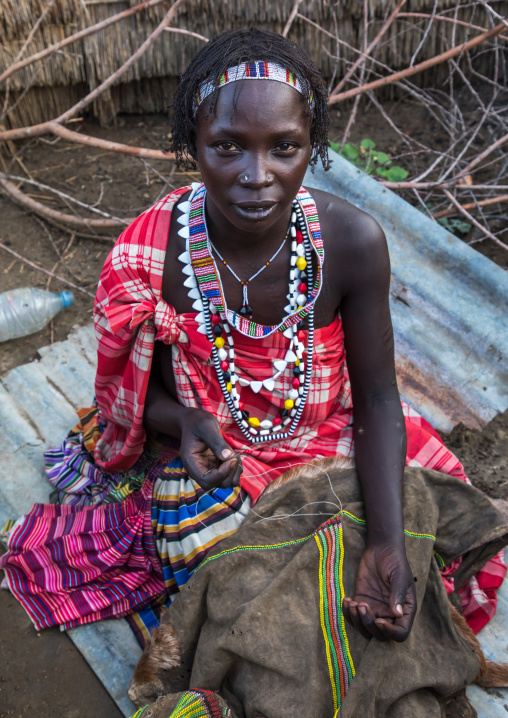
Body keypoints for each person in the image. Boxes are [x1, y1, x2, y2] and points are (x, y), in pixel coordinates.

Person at [0, 28, 505, 654]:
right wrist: (184, 422)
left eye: (285, 148)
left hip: (335, 433)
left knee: (433, 542)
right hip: (217, 461)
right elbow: (128, 399)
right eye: (228, 147)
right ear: (194, 144)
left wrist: (385, 544)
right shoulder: (151, 254)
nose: (256, 175)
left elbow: (377, 399)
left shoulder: (351, 243)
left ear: (311, 147)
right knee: (240, 584)